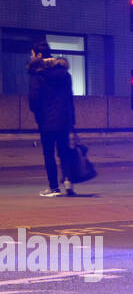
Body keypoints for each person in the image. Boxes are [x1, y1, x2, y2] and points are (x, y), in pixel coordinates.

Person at [27, 41, 78, 198]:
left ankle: (54, 188)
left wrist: (38, 115)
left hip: (46, 120)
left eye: (33, 53)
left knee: (48, 153)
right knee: (64, 152)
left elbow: (34, 99)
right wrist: (71, 121)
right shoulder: (64, 73)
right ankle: (68, 183)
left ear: (39, 55)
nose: (31, 56)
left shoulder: (37, 74)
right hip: (64, 119)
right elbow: (70, 98)